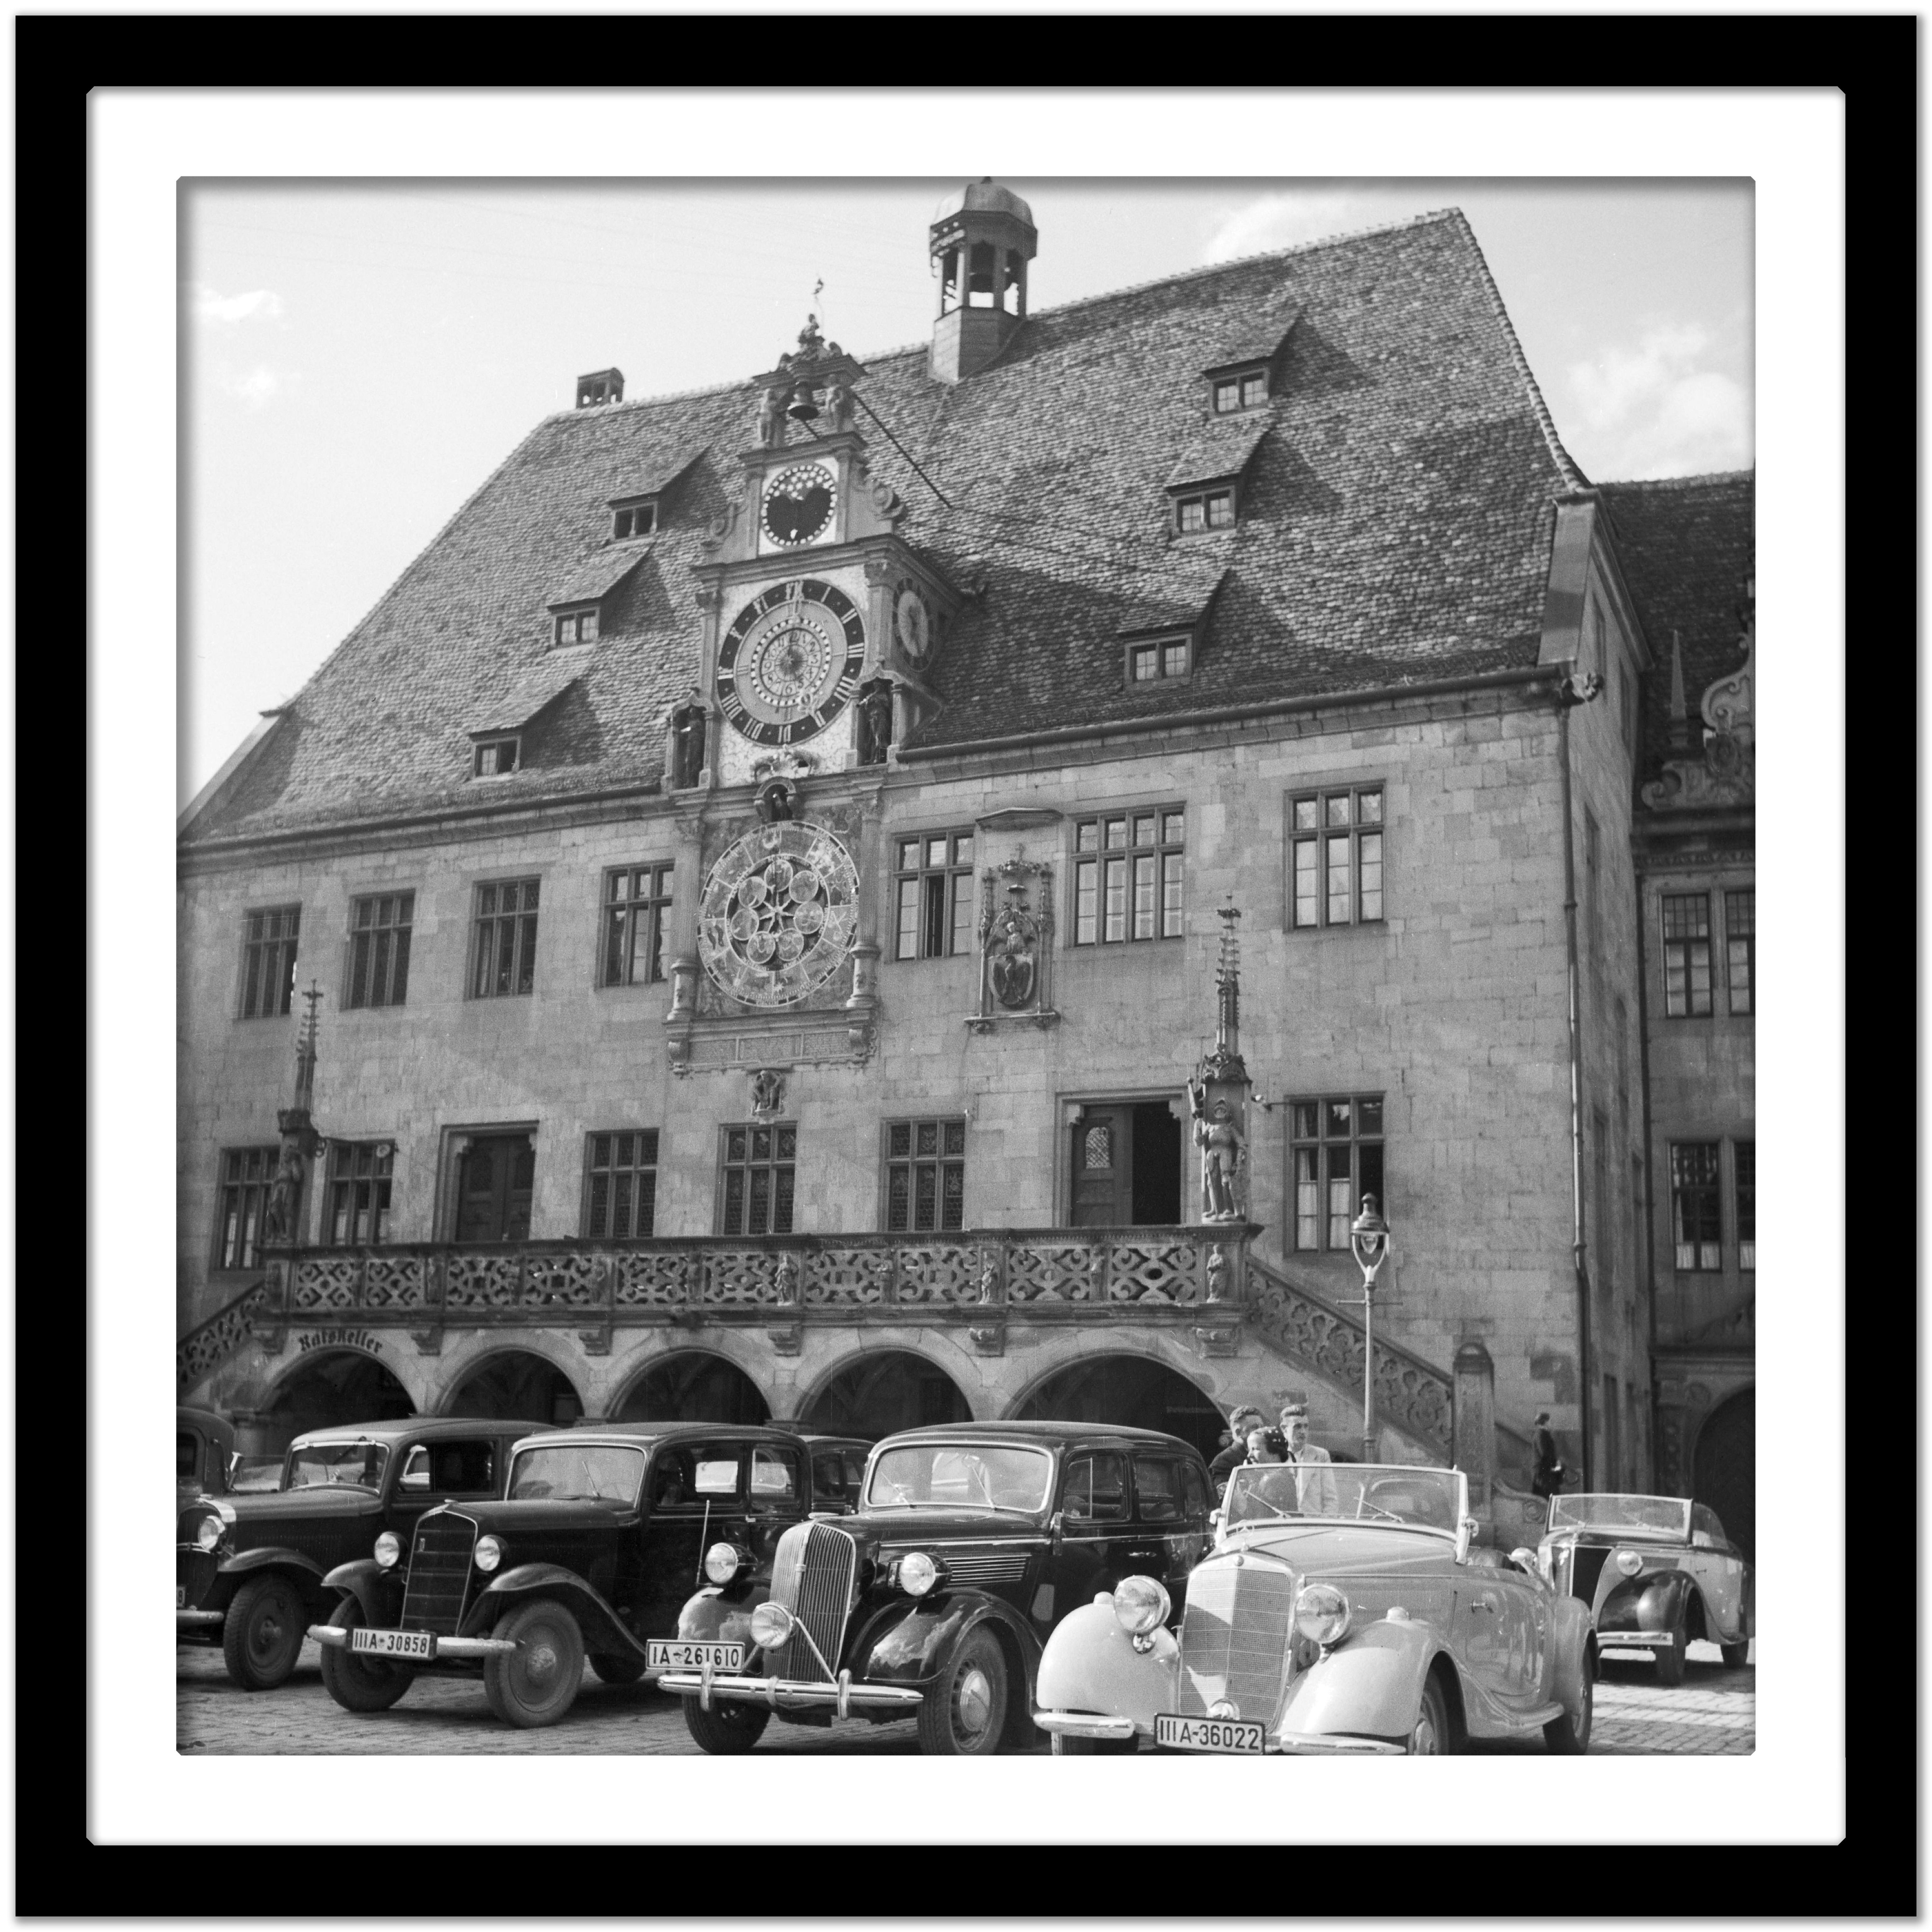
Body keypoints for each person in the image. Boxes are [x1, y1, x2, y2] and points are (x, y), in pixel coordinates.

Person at [1279, 1402, 1339, 1515]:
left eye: (1306, 1426)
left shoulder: (1321, 1456)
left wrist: (1324, 1525)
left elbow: (1331, 1500)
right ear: (1284, 1429)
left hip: (1313, 1526)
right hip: (1284, 1527)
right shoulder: (1276, 1456)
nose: (1303, 1431)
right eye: (1297, 1427)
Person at [1208, 1405, 1267, 1482]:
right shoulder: (1223, 1463)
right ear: (1239, 1433)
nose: (1261, 1431)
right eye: (1255, 1427)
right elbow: (1226, 1493)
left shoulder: (1266, 1454)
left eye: (1262, 1427)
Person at [1531, 1412, 1565, 1498]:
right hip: (1543, 1475)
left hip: (1546, 1473)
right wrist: (1556, 1464)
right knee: (1548, 1499)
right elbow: (1545, 1454)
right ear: (1546, 1422)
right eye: (1550, 1421)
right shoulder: (1541, 1434)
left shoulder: (1543, 1434)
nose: (1551, 1424)